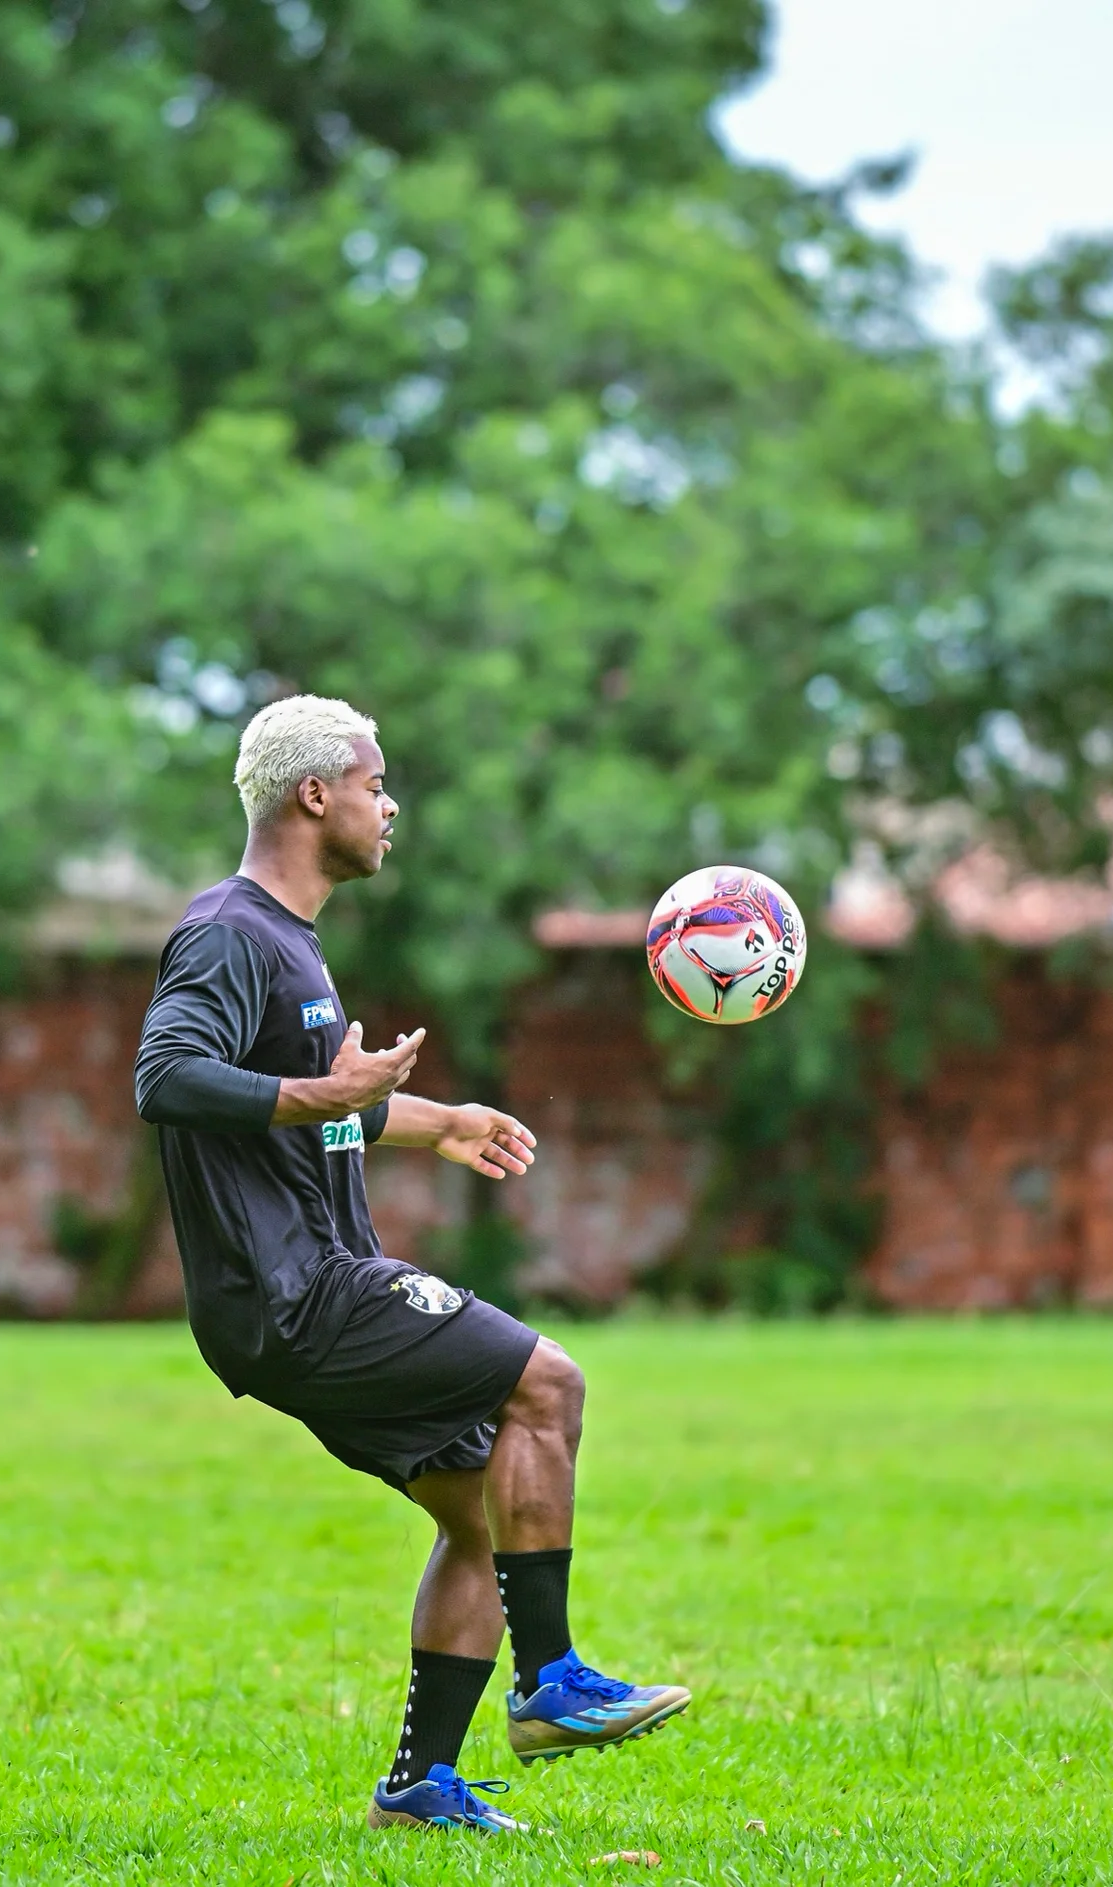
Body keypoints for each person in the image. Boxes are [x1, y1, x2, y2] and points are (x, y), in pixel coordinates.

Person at [133, 694, 687, 1834]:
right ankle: (550, 1684)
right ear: (314, 794)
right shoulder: (229, 933)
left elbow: (308, 1105)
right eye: (376, 785)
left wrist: (434, 1121)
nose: (390, 808)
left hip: (288, 1295)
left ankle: (421, 1787)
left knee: (482, 1510)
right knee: (548, 1383)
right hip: (297, 1291)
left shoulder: (289, 938)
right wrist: (321, 1092)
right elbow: (167, 1077)